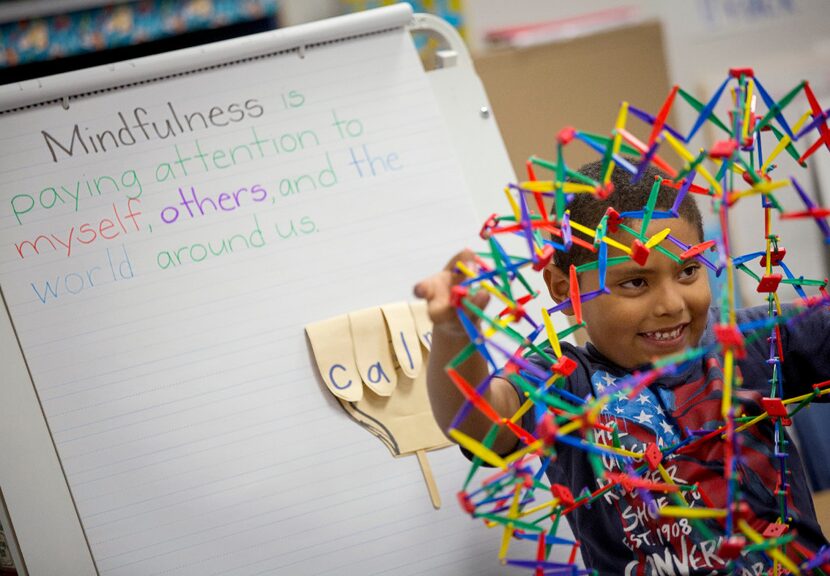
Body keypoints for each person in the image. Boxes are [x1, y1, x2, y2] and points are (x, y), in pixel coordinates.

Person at [414, 159, 830, 575]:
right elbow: (478, 420)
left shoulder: (744, 345)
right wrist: (454, 332)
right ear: (566, 288)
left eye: (688, 271)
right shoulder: (564, 384)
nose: (671, 304)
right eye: (635, 283)